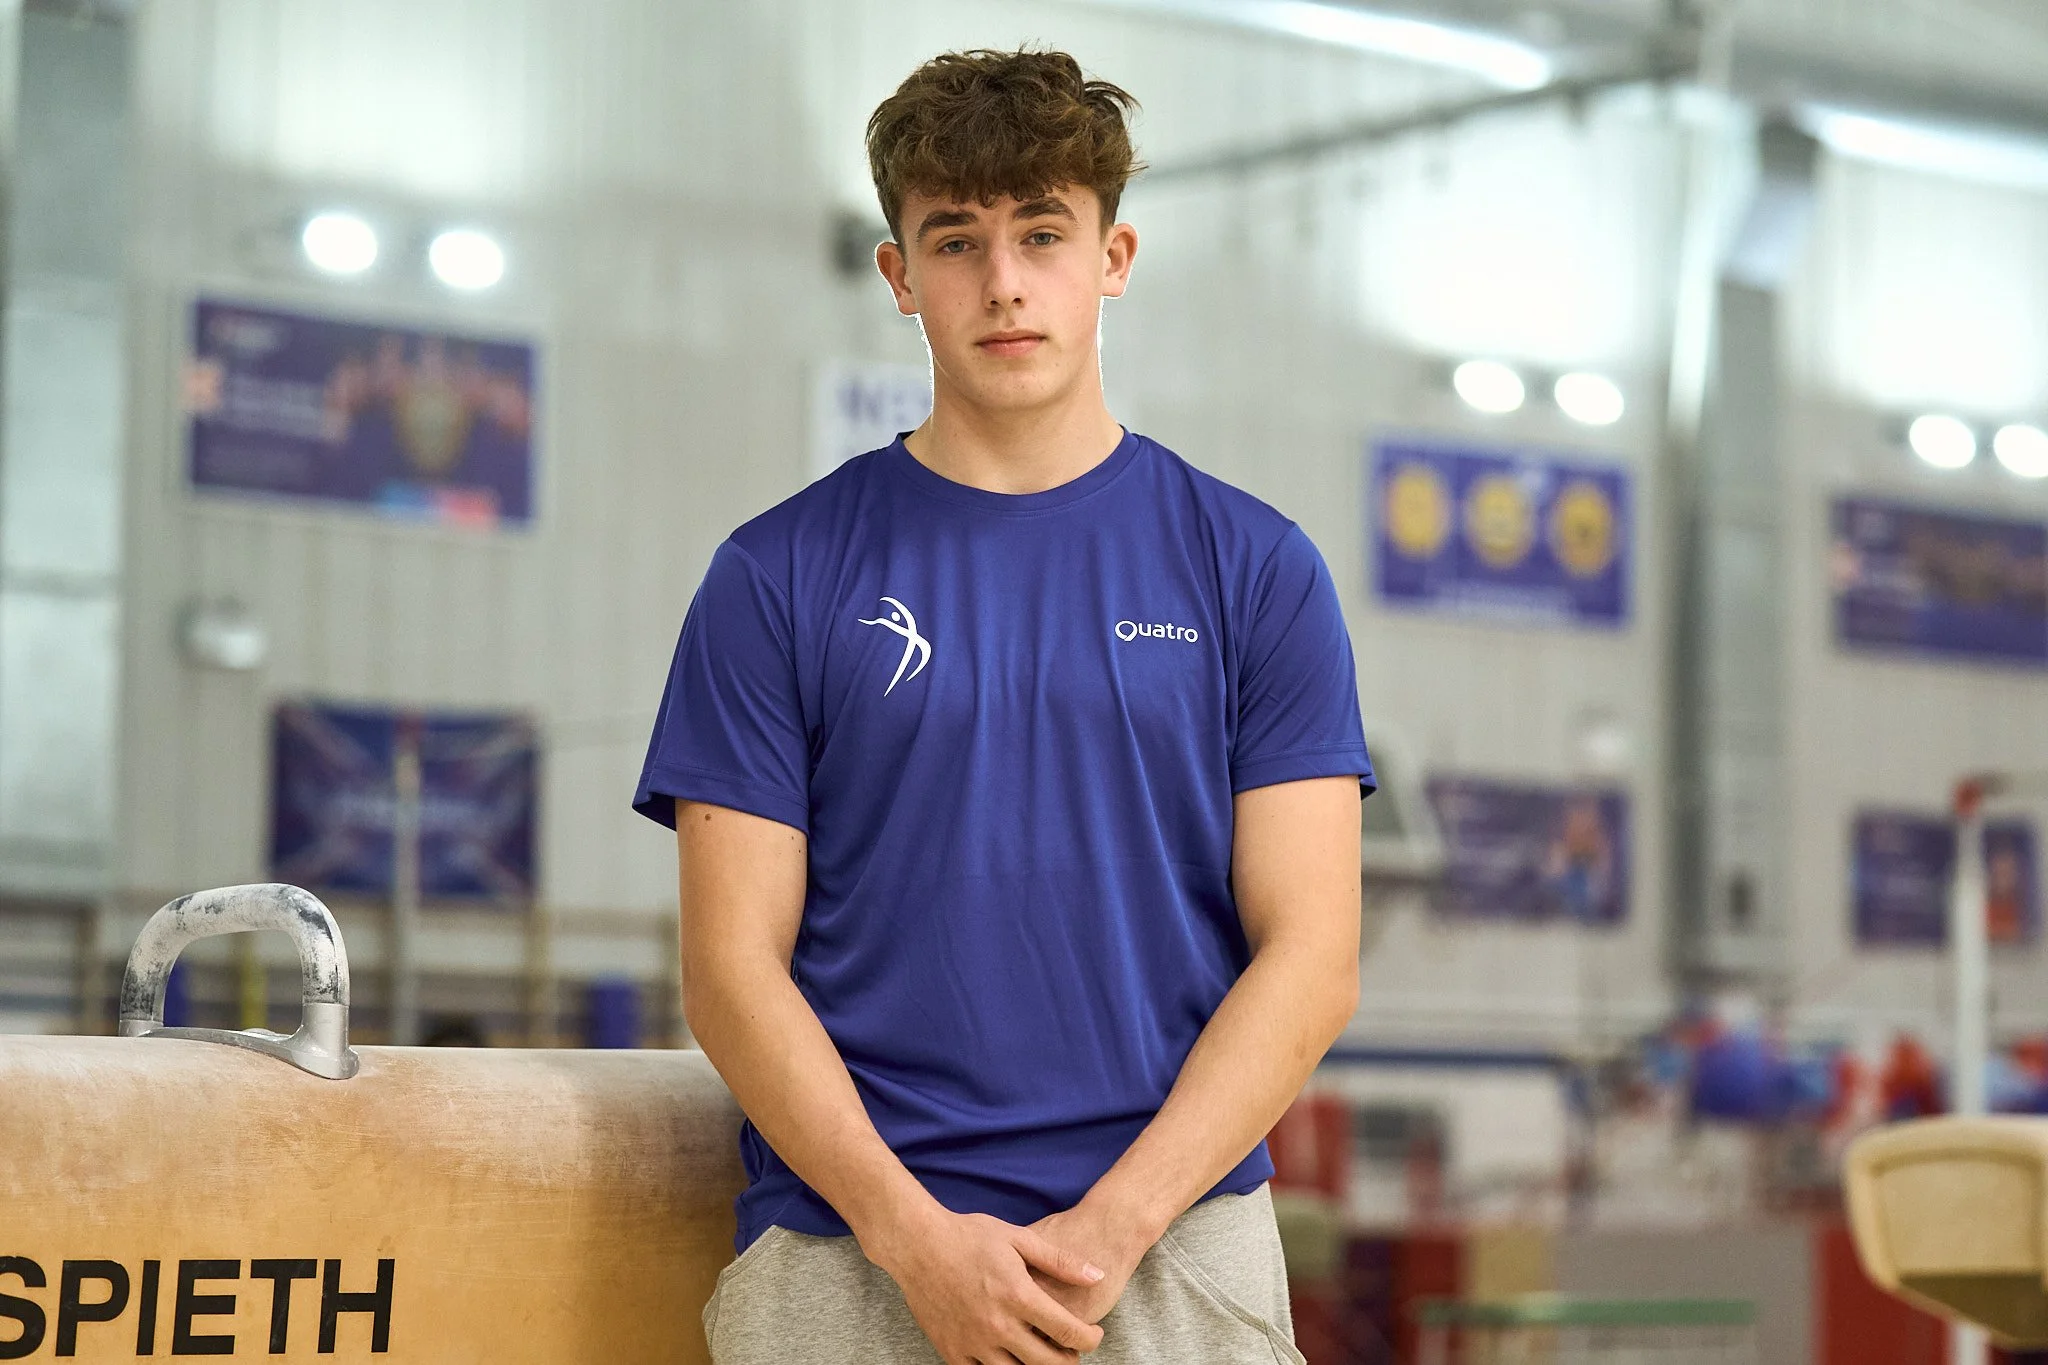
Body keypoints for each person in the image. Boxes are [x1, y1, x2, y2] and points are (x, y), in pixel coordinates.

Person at [633, 47, 1374, 1365]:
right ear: (899, 275)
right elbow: (730, 972)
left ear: (1114, 256)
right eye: (957, 240)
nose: (1006, 282)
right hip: (847, 1244)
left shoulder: (1256, 569)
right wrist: (911, 1235)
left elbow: (1312, 955)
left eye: (1043, 232)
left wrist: (1117, 1223)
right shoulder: (777, 576)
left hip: (1176, 1243)